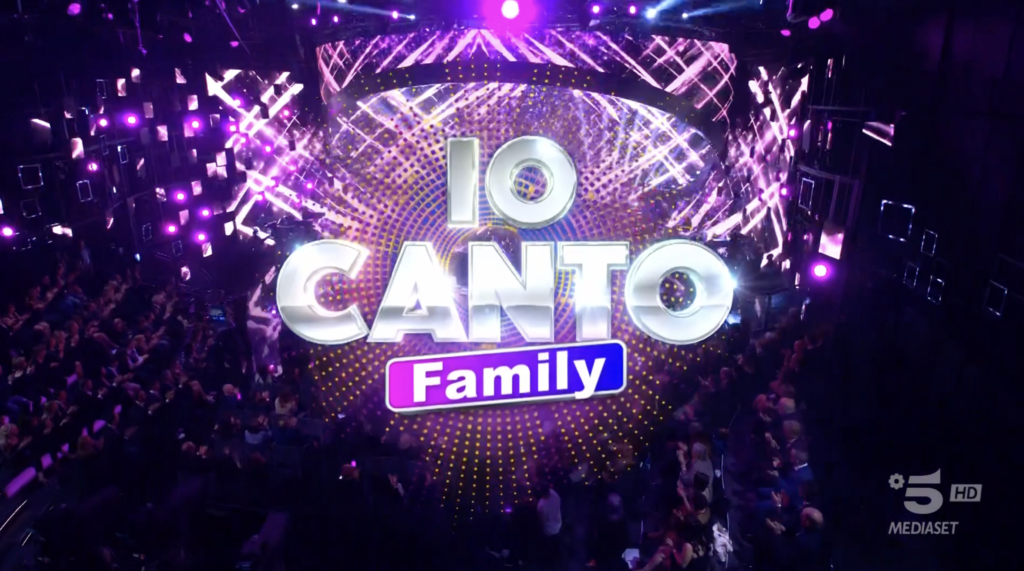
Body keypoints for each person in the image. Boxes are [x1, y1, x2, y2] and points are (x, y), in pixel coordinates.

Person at [536, 482, 561, 565]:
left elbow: (542, 521)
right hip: (558, 524)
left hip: (549, 530)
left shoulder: (541, 505)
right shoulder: (554, 494)